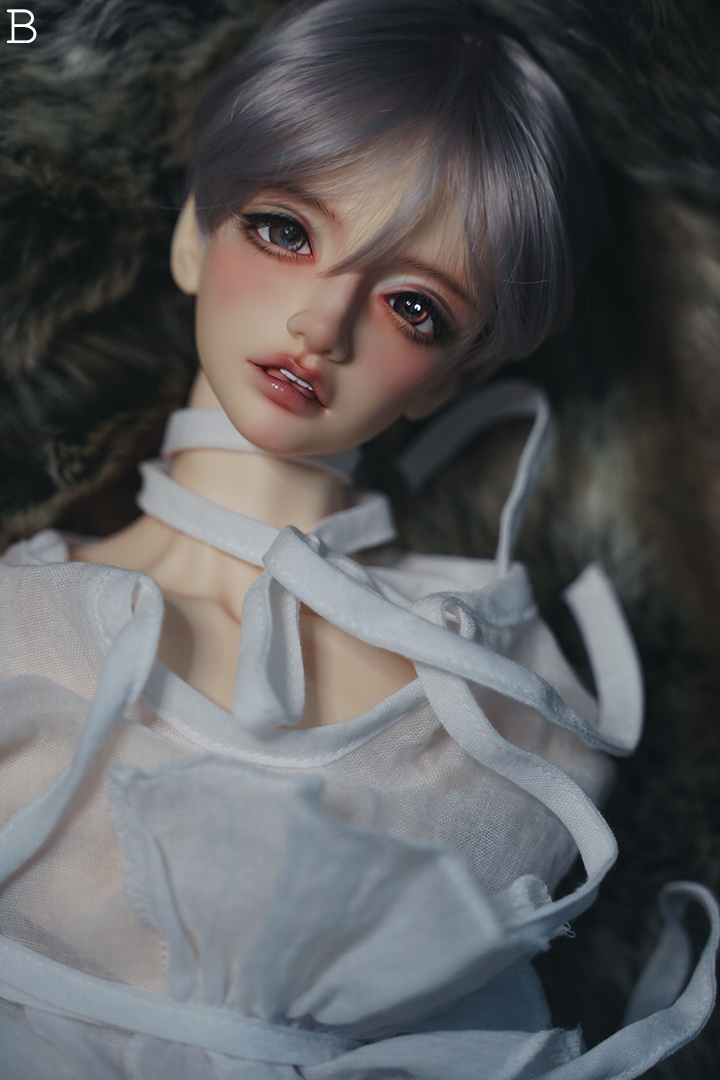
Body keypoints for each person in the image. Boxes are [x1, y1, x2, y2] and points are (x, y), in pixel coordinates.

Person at [0, 1, 716, 1077]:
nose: (322, 325)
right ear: (193, 235)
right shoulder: (17, 632)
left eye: (414, 307)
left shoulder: (501, 714)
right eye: (286, 232)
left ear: (456, 379)